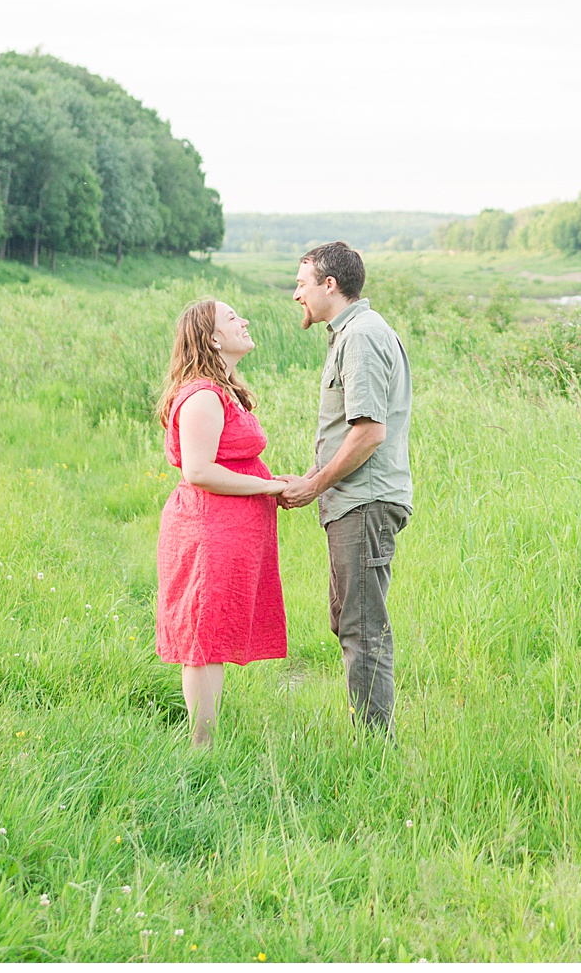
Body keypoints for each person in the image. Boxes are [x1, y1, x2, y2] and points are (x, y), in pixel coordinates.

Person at [279, 241, 413, 736]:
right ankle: (371, 737)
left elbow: (369, 431)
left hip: (366, 502)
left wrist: (314, 483)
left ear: (329, 285)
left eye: (301, 282)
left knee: (362, 630)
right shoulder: (350, 334)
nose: (296, 294)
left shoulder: (360, 337)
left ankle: (375, 751)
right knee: (350, 622)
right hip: (353, 501)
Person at [155, 297, 298, 747]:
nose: (245, 321)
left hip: (226, 531)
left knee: (213, 632)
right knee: (204, 635)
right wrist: (269, 488)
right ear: (213, 338)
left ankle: (206, 740)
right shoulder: (202, 396)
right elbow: (198, 472)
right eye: (233, 318)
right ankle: (202, 745)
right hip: (207, 532)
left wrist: (271, 481)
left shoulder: (223, 391)